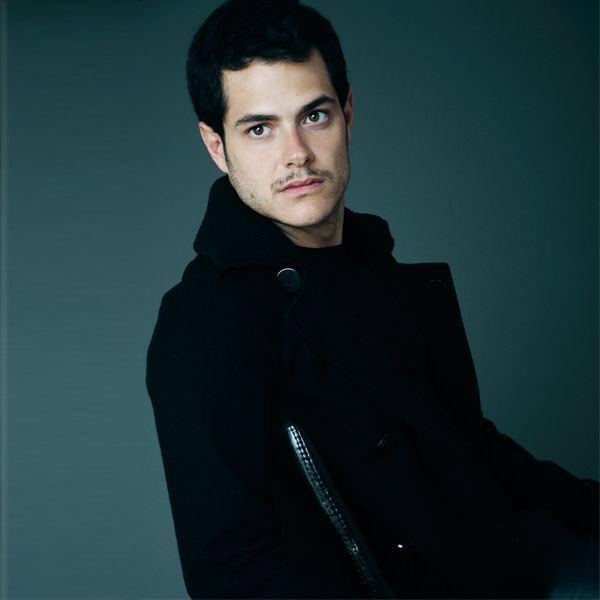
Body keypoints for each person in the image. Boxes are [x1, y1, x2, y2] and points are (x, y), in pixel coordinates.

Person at [145, 0, 599, 597]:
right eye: (259, 128)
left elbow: (468, 448)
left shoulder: (378, 268)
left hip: (516, 562)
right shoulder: (205, 320)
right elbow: (233, 573)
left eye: (314, 116)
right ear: (215, 145)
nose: (296, 153)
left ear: (348, 114)